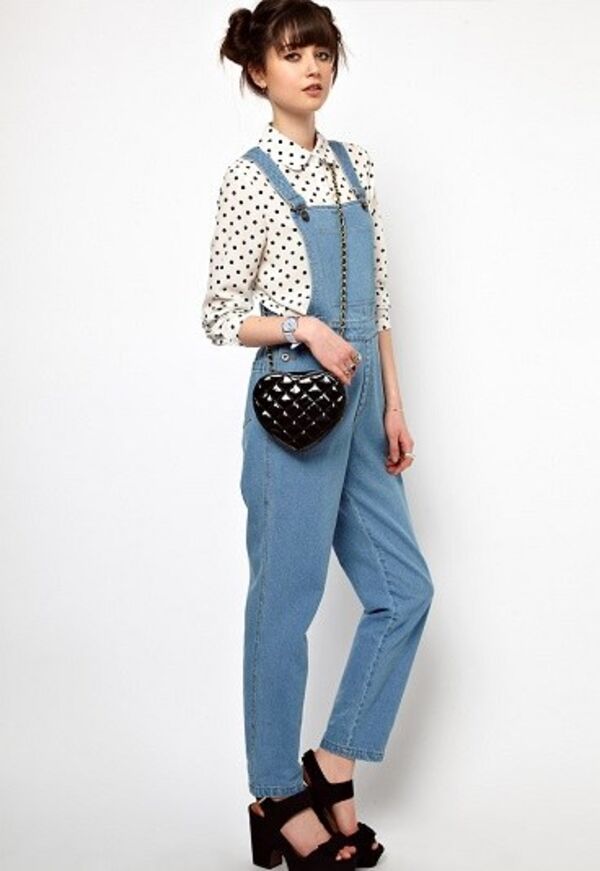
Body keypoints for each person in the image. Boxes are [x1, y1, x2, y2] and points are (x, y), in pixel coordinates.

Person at [202, 2, 435, 867]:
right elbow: (220, 314)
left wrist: (394, 405)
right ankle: (273, 791)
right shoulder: (248, 179)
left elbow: (380, 302)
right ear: (258, 70)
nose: (313, 67)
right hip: (293, 405)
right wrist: (304, 327)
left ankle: (333, 760)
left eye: (323, 53)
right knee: (285, 605)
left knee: (404, 592)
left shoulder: (357, 164)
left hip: (363, 405)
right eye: (293, 53)